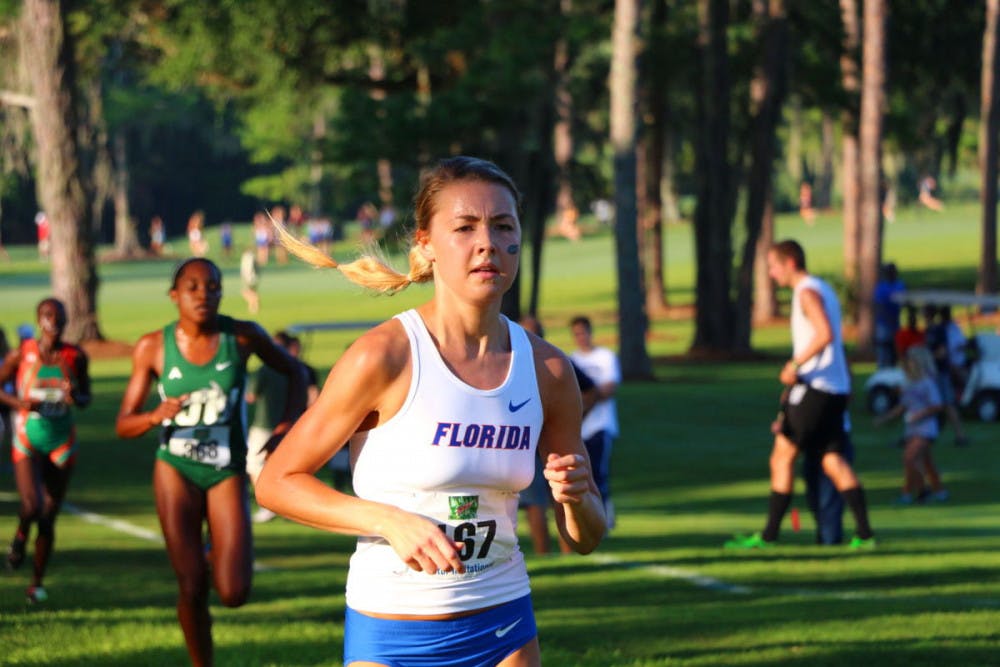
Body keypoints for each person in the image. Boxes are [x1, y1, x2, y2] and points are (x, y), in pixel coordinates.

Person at [255, 156, 606, 667]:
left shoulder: (549, 369)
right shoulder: (386, 356)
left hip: (503, 622)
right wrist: (388, 521)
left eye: (503, 226)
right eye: (464, 227)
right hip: (391, 630)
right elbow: (277, 481)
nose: (487, 242)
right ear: (425, 245)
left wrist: (575, 499)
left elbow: (585, 538)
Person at [114, 258, 306, 666]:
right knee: (191, 586)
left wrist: (286, 427)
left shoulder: (241, 337)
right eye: (193, 287)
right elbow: (123, 423)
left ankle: (208, 551)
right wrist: (152, 416)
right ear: (174, 295)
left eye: (213, 286)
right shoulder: (153, 346)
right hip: (175, 468)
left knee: (234, 592)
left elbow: (295, 372)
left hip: (226, 470)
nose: (204, 295)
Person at [725, 239, 875, 550]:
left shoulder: (806, 292)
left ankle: (769, 536)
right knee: (833, 460)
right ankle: (865, 534)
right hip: (834, 390)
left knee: (782, 456)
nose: (771, 273)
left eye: (774, 266)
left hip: (815, 389)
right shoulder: (823, 289)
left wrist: (795, 364)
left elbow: (824, 334)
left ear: (790, 262)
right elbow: (836, 344)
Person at [0, 298, 91, 603]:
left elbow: (85, 398)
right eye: (48, 315)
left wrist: (74, 394)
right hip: (28, 437)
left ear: (66, 321)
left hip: (61, 441)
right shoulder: (22, 354)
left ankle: (36, 583)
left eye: (59, 316)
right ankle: (20, 536)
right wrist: (20, 404)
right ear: (39, 320)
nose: (54, 321)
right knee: (31, 506)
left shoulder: (74, 356)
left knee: (49, 516)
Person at [518, 314, 599, 555]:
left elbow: (590, 390)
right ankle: (546, 552)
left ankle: (564, 551)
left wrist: (572, 418)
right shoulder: (512, 361)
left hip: (551, 442)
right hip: (524, 443)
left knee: (560, 496)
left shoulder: (552, 360)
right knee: (536, 503)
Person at [245, 330, 317, 523]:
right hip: (292, 424)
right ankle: (293, 506)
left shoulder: (264, 370)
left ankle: (269, 503)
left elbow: (250, 396)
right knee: (292, 467)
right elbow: (311, 396)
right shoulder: (298, 369)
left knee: (254, 463)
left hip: (264, 424)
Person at [874, 345, 949, 505]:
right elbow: (903, 406)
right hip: (912, 428)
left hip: (926, 428)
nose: (907, 363)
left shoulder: (927, 383)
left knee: (909, 458)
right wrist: (885, 418)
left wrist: (919, 415)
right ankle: (938, 491)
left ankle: (914, 492)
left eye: (910, 360)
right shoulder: (908, 383)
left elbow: (937, 405)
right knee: (926, 461)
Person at [569, 315, 620, 528]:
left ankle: (605, 517)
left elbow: (610, 388)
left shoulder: (605, 357)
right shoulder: (571, 359)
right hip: (579, 428)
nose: (581, 337)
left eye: (583, 332)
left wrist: (588, 396)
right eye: (576, 334)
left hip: (600, 424)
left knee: (599, 473)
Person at [924, 305, 969, 447]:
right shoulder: (929, 331)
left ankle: (960, 435)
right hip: (931, 373)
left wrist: (926, 358)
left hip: (940, 372)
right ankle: (927, 434)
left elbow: (943, 352)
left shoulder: (938, 331)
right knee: (933, 404)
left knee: (948, 404)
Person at [873, 262, 905, 368]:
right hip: (884, 324)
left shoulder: (900, 285)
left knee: (894, 351)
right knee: (883, 351)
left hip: (895, 323)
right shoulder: (881, 287)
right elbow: (878, 306)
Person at [239, 248, 260, 314]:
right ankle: (253, 305)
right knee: (251, 292)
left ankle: (254, 305)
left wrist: (246, 276)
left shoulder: (248, 257)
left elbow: (249, 268)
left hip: (249, 277)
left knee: (246, 292)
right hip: (251, 276)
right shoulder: (250, 257)